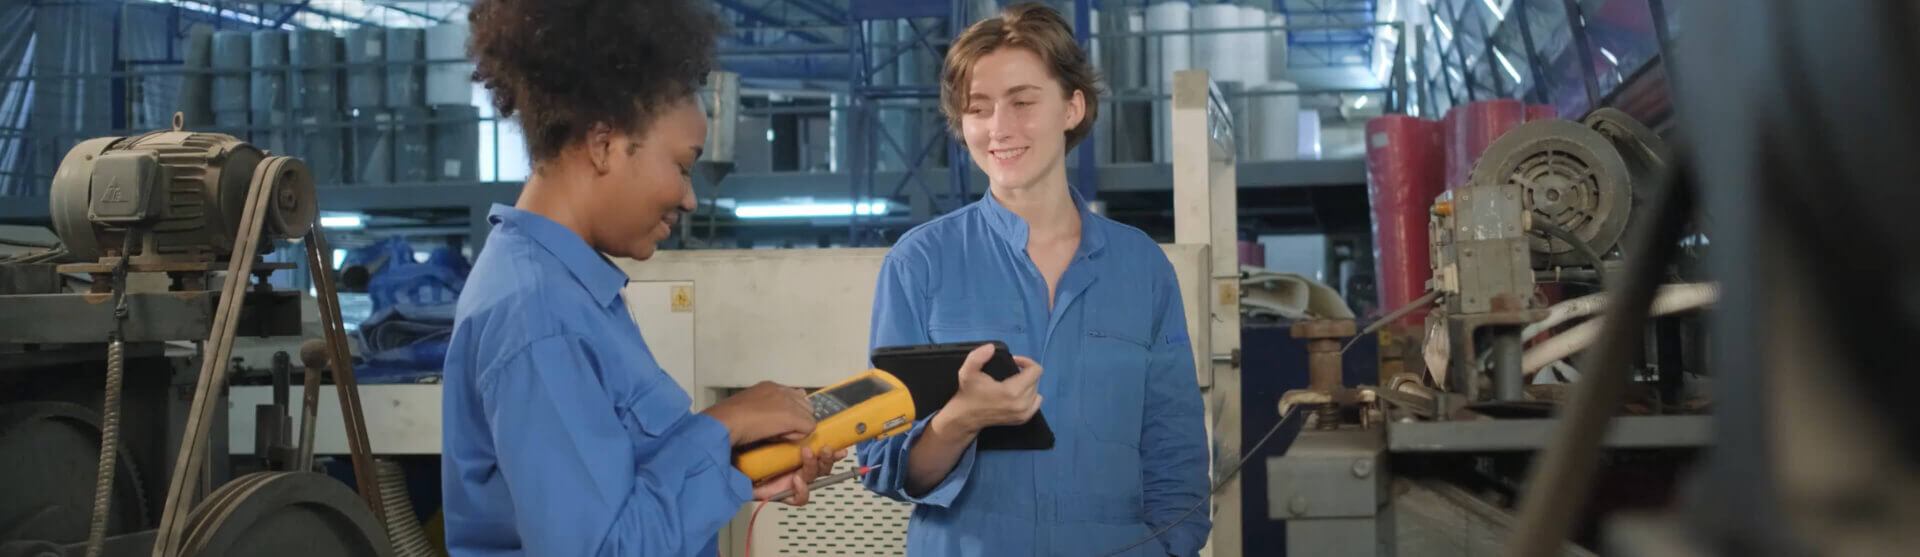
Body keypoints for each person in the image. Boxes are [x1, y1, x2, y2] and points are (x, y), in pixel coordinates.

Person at [441, 1, 842, 555]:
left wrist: (732, 466)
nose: (689, 196)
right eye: (681, 165)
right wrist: (724, 425)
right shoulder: (539, 316)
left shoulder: (570, 292)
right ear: (604, 144)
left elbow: (621, 489)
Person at [856, 3, 1213, 556]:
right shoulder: (920, 262)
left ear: (1073, 107)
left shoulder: (1140, 267)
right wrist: (960, 421)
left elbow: (1175, 452)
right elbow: (885, 464)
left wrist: (1170, 550)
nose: (999, 128)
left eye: (1023, 102)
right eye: (978, 109)